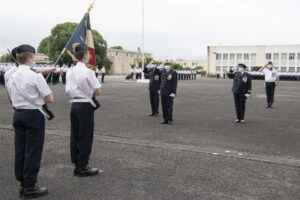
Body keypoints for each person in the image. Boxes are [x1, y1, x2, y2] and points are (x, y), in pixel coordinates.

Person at [6, 45, 54, 198]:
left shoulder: (10, 76)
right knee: (33, 151)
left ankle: (22, 181)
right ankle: (30, 186)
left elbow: (11, 97)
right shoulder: (35, 76)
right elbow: (49, 98)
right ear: (31, 59)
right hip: (33, 115)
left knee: (20, 150)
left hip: (18, 113)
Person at [66, 44, 103, 177]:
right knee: (85, 136)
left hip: (74, 104)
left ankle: (77, 164)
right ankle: (83, 166)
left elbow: (68, 91)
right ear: (85, 55)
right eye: (88, 54)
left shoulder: (70, 71)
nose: (89, 56)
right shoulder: (89, 72)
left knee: (75, 135)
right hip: (85, 105)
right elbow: (98, 91)